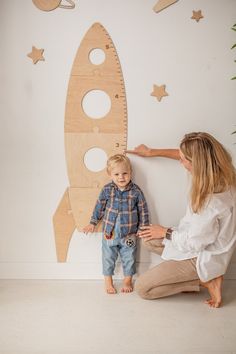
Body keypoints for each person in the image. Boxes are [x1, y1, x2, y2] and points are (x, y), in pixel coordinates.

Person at [126, 132, 236, 308]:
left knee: (142, 288)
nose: (180, 161)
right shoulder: (221, 168)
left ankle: (205, 281)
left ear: (196, 163)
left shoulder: (211, 202)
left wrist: (165, 232)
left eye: (184, 160)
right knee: (148, 239)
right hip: (198, 236)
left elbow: (194, 244)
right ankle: (201, 278)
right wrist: (151, 152)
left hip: (202, 255)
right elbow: (183, 153)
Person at [83, 154, 149, 294]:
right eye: (117, 174)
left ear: (130, 172)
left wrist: (143, 228)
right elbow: (99, 207)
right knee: (108, 257)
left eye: (125, 173)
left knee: (129, 257)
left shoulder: (136, 191)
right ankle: (108, 281)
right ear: (110, 174)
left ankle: (127, 280)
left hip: (129, 234)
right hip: (110, 232)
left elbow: (143, 210)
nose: (121, 177)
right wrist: (92, 223)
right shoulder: (107, 190)